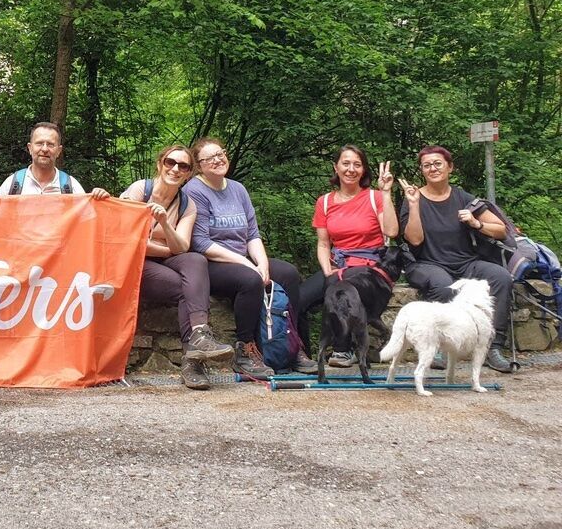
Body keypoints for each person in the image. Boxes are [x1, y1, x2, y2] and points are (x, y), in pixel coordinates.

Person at [184, 137, 317, 377]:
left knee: (288, 273)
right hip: (212, 263)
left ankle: (293, 346)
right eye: (210, 157)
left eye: (221, 153)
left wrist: (262, 264)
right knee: (250, 279)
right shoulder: (194, 190)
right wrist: (248, 264)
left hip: (243, 258)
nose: (218, 159)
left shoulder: (237, 189)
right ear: (199, 165)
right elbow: (201, 242)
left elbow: (252, 234)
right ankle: (245, 349)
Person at [120, 145, 234, 390]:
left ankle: (200, 334)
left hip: (163, 259)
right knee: (187, 289)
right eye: (171, 162)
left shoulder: (186, 204)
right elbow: (127, 239)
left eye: (183, 166)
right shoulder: (141, 190)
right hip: (134, 263)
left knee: (196, 260)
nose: (175, 169)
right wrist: (165, 249)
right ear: (161, 164)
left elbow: (182, 247)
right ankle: (192, 363)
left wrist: (164, 224)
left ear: (189, 174)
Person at [398, 145, 514, 373]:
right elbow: (414, 240)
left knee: (501, 278)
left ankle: (493, 346)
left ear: (450, 167)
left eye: (438, 163)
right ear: (422, 170)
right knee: (444, 286)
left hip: (465, 262)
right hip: (428, 263)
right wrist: (413, 205)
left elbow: (501, 230)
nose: (433, 168)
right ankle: (441, 347)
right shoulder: (414, 198)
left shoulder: (464, 198)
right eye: (427, 165)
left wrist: (476, 223)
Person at [300, 145, 399, 366]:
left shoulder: (374, 197)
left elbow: (391, 232)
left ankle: (343, 350)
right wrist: (326, 270)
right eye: (346, 163)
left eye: (357, 164)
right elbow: (324, 243)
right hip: (338, 264)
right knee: (298, 299)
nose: (351, 169)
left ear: (363, 170)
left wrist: (386, 192)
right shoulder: (324, 202)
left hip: (370, 268)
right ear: (336, 167)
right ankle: (301, 354)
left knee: (337, 285)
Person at [0, 122, 108, 198]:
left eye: (50, 144)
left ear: (59, 150)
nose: (44, 149)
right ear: (30, 148)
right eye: (39, 143)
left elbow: (88, 225)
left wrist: (101, 202)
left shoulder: (70, 187)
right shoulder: (13, 184)